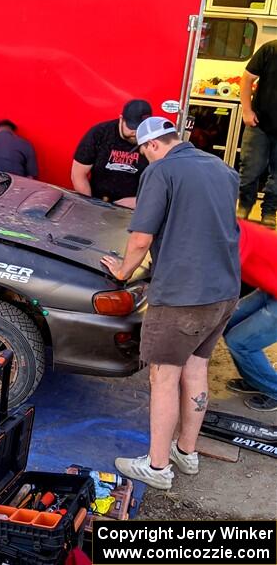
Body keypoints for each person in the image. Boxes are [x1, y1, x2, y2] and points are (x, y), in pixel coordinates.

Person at [101, 116, 240, 491]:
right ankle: (186, 453)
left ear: (151, 146)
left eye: (144, 152)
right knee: (196, 368)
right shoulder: (223, 169)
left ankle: (158, 467)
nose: (145, 158)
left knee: (163, 376)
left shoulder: (161, 171)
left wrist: (123, 273)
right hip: (224, 291)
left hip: (182, 296)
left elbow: (141, 238)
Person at [224, 219, 277, 412]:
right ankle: (256, 379)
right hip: (271, 288)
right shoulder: (227, 225)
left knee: (240, 342)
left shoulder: (231, 237)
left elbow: (221, 279)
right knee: (228, 323)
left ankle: (273, 389)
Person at [71, 100, 152, 208]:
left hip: (136, 208)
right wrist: (89, 206)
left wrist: (140, 202)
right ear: (121, 119)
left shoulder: (153, 140)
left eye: (141, 128)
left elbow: (164, 184)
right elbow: (78, 174)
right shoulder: (100, 133)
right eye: (132, 127)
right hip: (98, 202)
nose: (136, 132)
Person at [238, 40, 277, 229]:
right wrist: (246, 110)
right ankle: (244, 208)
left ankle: (269, 212)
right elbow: (246, 79)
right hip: (259, 123)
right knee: (250, 170)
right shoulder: (271, 49)